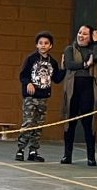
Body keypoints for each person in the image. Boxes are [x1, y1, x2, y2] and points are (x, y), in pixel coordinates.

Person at [15, 32, 65, 162]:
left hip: (43, 97)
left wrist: (64, 68)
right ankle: (20, 149)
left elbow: (57, 79)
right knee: (28, 122)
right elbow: (23, 75)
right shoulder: (31, 59)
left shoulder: (52, 62)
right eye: (40, 43)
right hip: (31, 97)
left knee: (38, 124)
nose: (43, 45)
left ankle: (33, 150)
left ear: (50, 46)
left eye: (46, 43)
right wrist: (28, 83)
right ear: (37, 45)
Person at [60, 25, 97, 166]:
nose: (81, 35)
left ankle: (91, 157)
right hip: (72, 89)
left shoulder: (93, 49)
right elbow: (70, 64)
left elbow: (96, 57)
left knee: (88, 124)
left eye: (85, 34)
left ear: (90, 38)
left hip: (88, 89)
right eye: (79, 32)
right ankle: (67, 155)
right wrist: (85, 64)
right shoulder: (69, 49)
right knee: (70, 122)